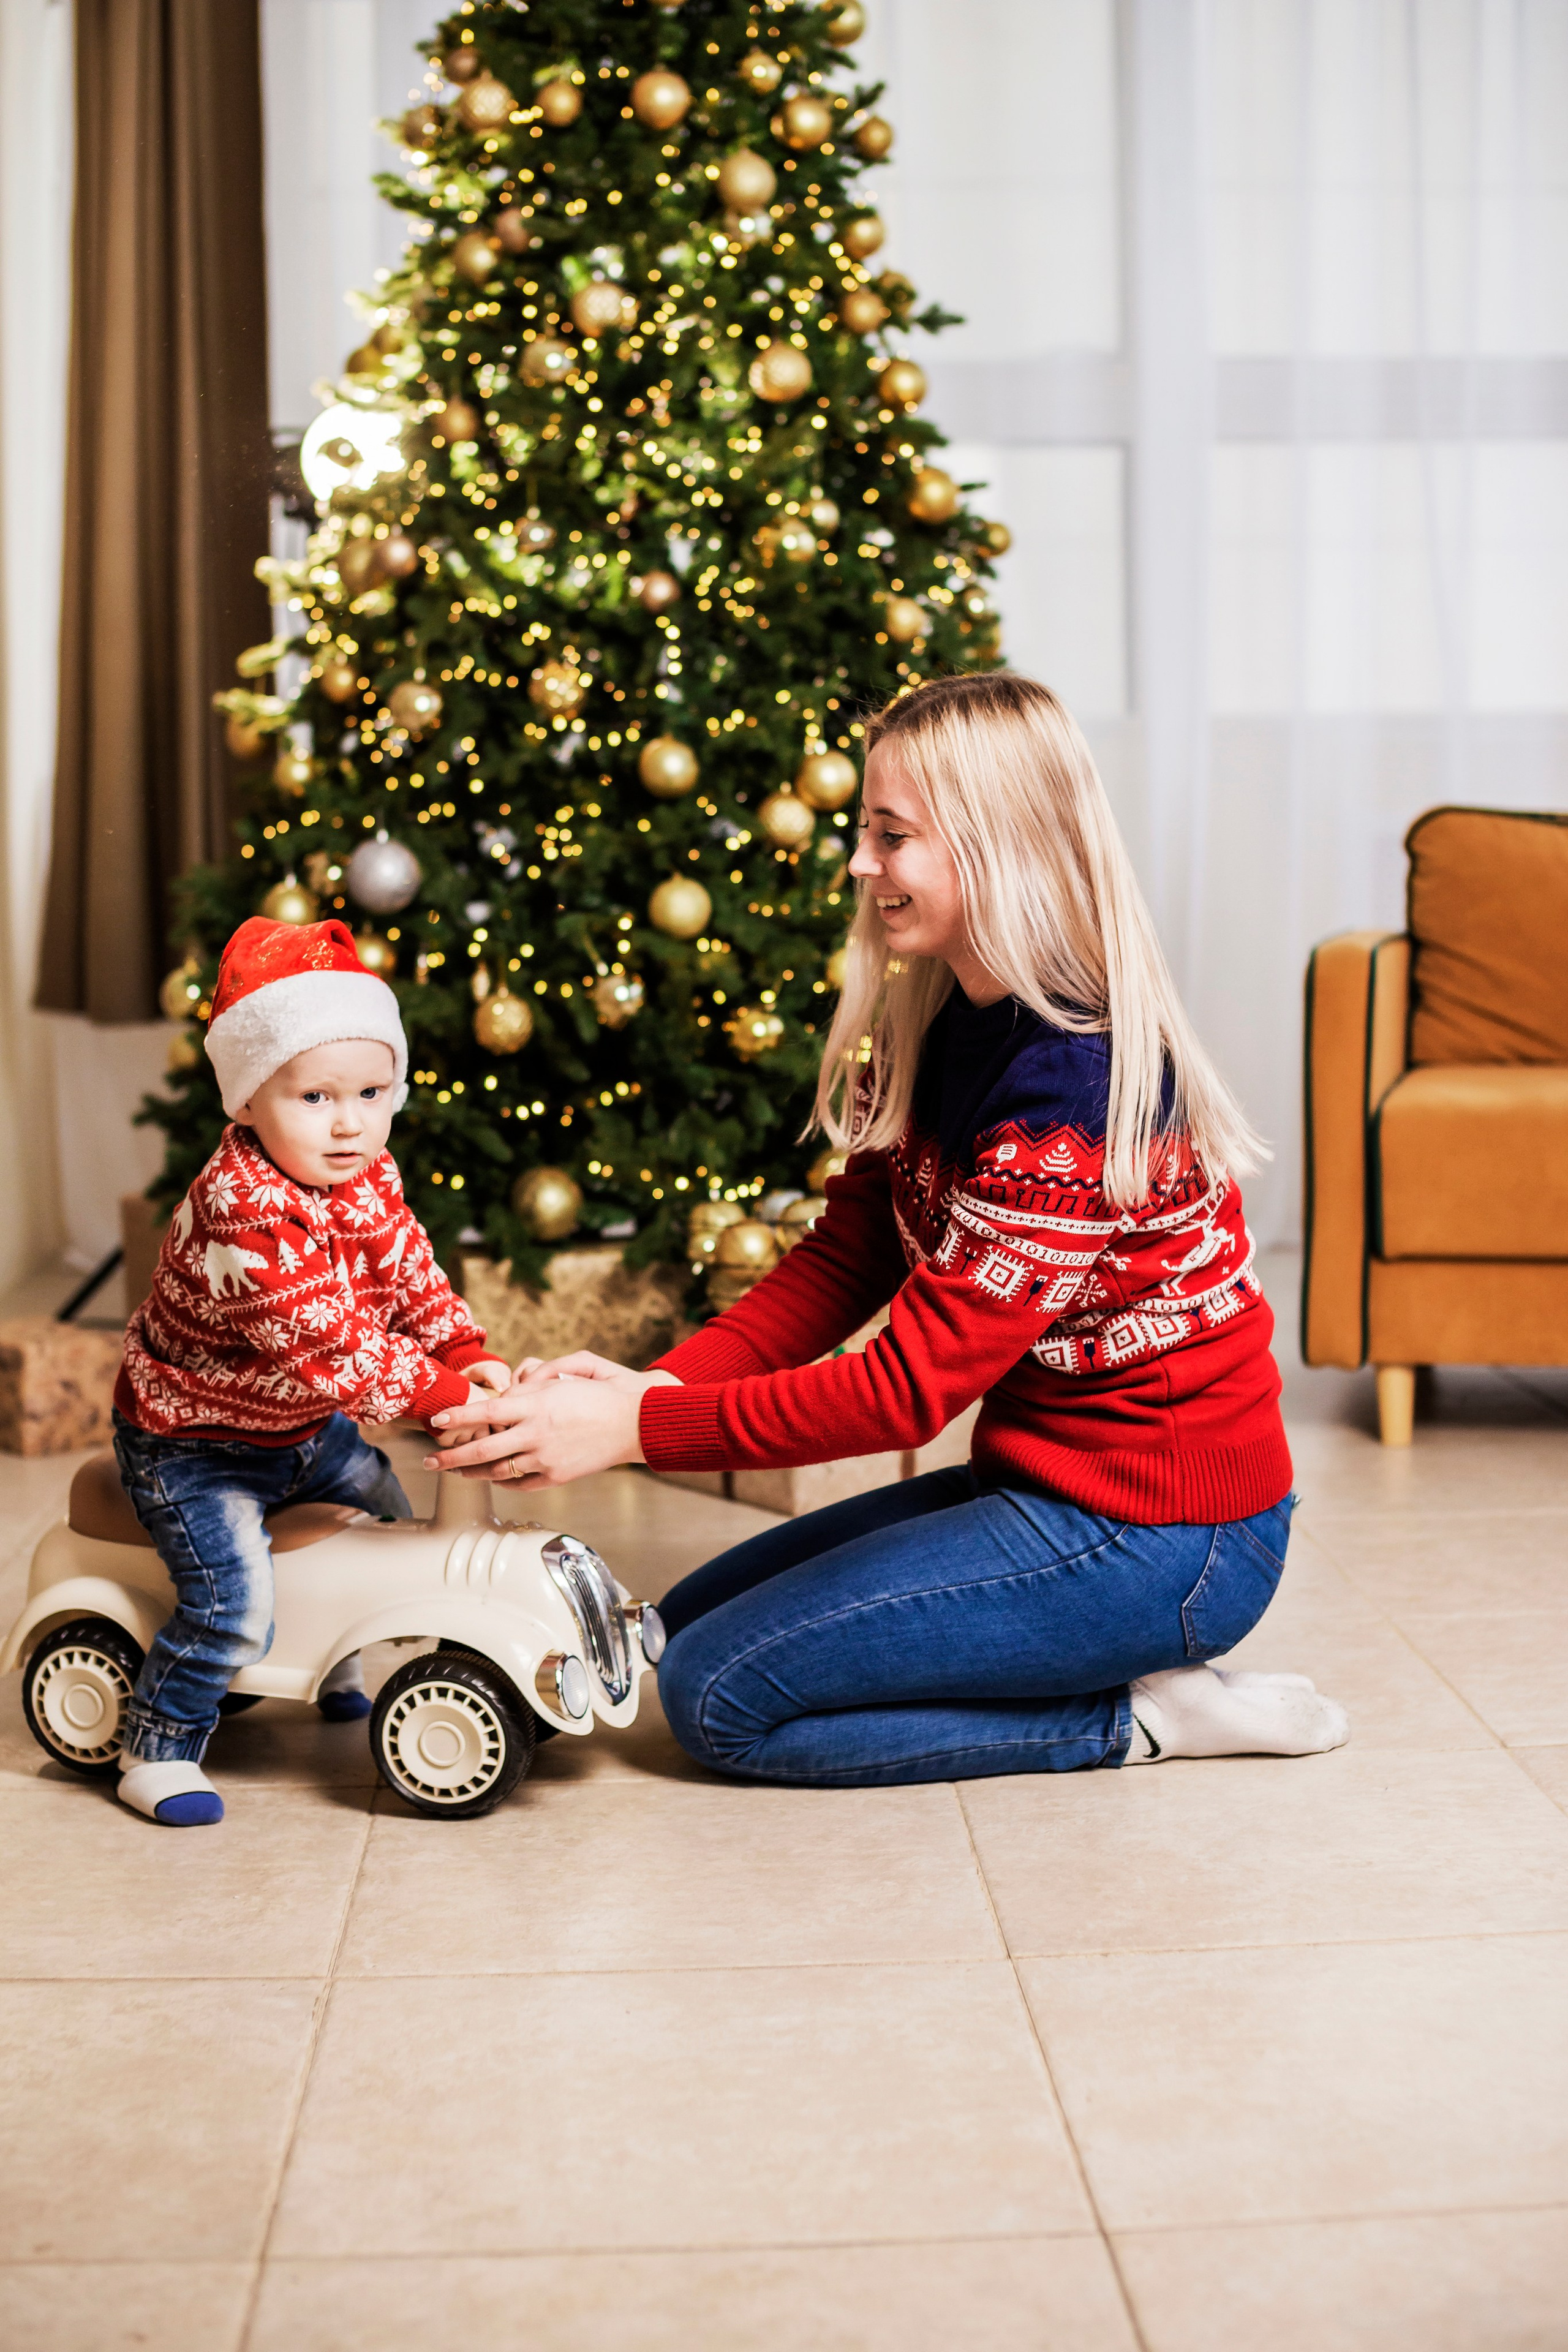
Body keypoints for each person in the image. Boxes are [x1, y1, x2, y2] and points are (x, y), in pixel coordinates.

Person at [430, 672, 1347, 1785]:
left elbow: (906, 1391)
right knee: (681, 1623)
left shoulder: (1072, 1085)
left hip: (1168, 1539)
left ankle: (1145, 1718)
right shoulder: (945, 1016)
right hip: (1046, 1485)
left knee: (718, 1699)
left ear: (997, 845)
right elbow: (847, 1257)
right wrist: (654, 1389)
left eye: (892, 835)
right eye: (865, 829)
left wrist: (633, 1428)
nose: (860, 863)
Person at [112, 916, 512, 1825]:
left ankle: (334, 1653)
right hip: (194, 1443)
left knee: (388, 1518)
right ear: (249, 1102)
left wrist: (464, 1351)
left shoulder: (365, 1172)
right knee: (228, 1604)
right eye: (316, 1097)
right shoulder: (242, 1206)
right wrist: (445, 1395)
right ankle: (158, 1744)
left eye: (372, 1092)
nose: (349, 1122)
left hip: (297, 1427)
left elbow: (409, 1271)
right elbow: (329, 1347)